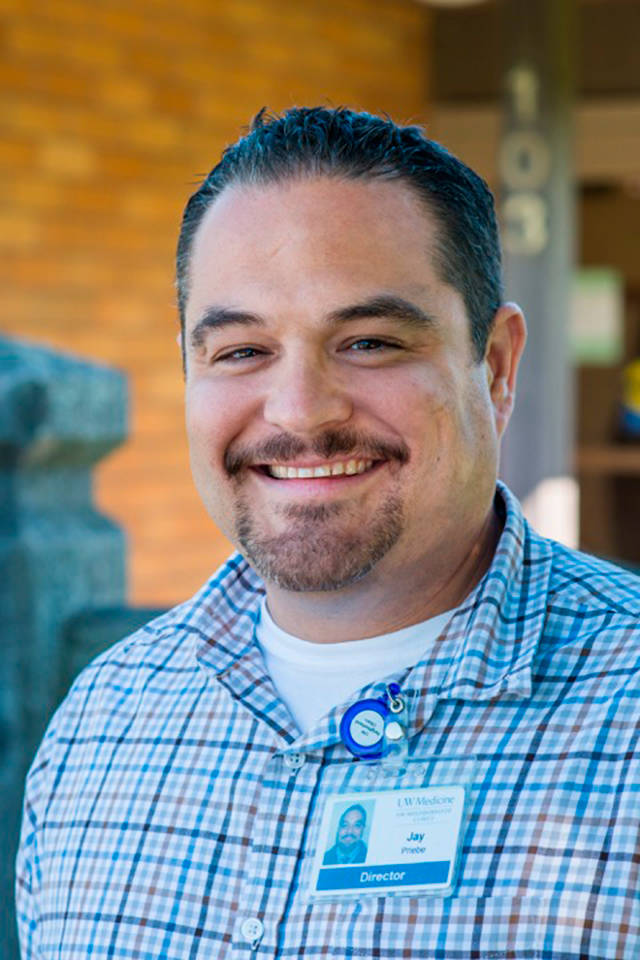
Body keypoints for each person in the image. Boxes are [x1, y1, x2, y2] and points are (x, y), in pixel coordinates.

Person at [16, 107, 640, 959]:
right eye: (241, 351)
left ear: (495, 367)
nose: (300, 412)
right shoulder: (100, 723)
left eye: (370, 341)